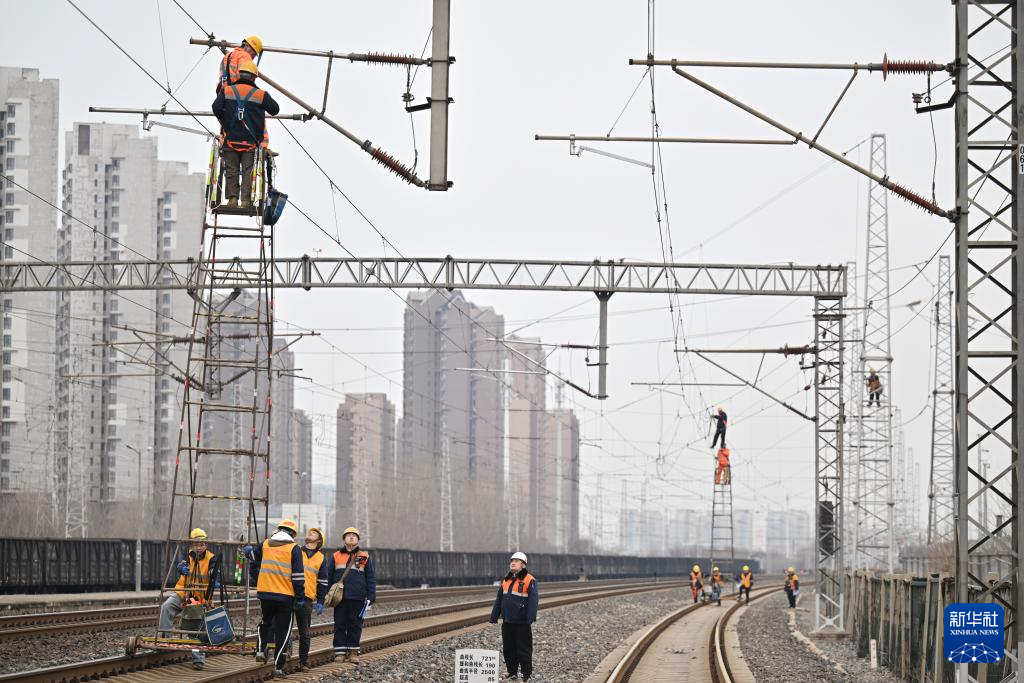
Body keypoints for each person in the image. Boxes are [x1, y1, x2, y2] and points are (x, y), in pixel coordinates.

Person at [211, 60, 280, 209]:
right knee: (248, 171)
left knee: (231, 170)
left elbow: (216, 107)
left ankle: (232, 199)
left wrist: (225, 119)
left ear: (239, 75)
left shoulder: (227, 91)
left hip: (231, 140)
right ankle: (246, 201)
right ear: (254, 77)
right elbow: (275, 109)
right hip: (250, 142)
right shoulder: (260, 94)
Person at [245, 519, 305, 675]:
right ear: (293, 534)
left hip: (265, 594)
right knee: (283, 631)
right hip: (285, 596)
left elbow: (252, 557)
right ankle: (278, 667)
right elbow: (298, 576)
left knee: (265, 622)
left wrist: (247, 550)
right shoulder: (294, 548)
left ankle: (260, 651)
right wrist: (300, 597)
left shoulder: (265, 544)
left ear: (278, 530)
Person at [158, 527, 220, 670]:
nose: (198, 547)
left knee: (196, 627)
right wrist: (181, 567)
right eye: (196, 544)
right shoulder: (188, 555)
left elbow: (214, 572)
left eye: (201, 544)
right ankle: (164, 641)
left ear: (206, 545)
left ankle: (198, 659)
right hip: (184, 593)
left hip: (200, 599)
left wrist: (215, 577)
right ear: (192, 545)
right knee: (166, 607)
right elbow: (182, 564)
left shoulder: (212, 559)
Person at [325, 527, 376, 664]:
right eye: (349, 535)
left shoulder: (363, 556)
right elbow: (329, 576)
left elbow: (370, 577)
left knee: (356, 625)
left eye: (354, 536)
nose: (351, 537)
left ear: (358, 540)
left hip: (358, 597)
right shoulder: (336, 556)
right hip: (339, 598)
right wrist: (327, 594)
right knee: (340, 625)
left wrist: (371, 596)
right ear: (344, 540)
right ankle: (340, 653)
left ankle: (353, 652)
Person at [489, 551, 538, 682]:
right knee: (508, 648)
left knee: (524, 649)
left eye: (516, 561)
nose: (513, 563)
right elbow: (499, 599)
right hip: (507, 621)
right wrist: (494, 617)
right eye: (512, 561)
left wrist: (530, 618)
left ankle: (527, 674)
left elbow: (533, 601)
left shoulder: (529, 580)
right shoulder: (506, 580)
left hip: (522, 622)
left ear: (523, 564)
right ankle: (512, 672)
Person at [293, 527, 328, 671]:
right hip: (290, 594)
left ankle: (304, 661)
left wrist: (320, 601)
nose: (310, 533)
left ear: (318, 541)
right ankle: (283, 655)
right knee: (284, 628)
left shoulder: (321, 558)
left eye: (313, 533)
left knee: (305, 632)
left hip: (307, 598)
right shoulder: (296, 550)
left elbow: (323, 581)